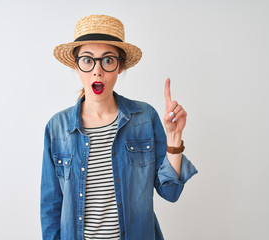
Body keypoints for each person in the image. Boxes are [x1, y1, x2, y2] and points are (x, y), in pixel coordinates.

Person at [41, 15, 198, 240]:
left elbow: (171, 192)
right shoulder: (56, 128)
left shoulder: (144, 118)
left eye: (107, 60)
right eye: (87, 60)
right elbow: (50, 208)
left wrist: (174, 137)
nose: (97, 71)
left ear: (120, 66)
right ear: (76, 66)